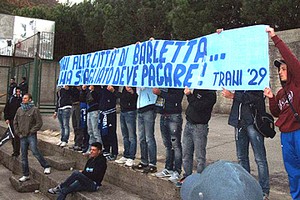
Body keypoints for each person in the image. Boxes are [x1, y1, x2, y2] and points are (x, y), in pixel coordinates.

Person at [264, 26, 300, 200]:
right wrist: (271, 98)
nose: (280, 71)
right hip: (286, 135)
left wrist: (275, 38)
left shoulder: (298, 84)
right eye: (279, 70)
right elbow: (276, 112)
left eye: (284, 69)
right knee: (292, 172)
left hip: (299, 132)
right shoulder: (280, 93)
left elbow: (291, 60)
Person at [222, 89, 270, 199]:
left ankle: (264, 190)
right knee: (241, 157)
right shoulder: (239, 79)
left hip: (254, 122)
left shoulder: (257, 77)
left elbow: (257, 97)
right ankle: (246, 187)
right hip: (239, 122)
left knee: (260, 158)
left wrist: (234, 96)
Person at [177, 87, 216, 187]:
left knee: (199, 155)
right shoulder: (198, 89)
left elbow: (198, 106)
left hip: (200, 127)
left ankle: (200, 179)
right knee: (186, 153)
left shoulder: (211, 95)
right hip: (189, 123)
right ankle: (187, 175)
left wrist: (189, 95)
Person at [13, 93, 51, 182]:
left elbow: (39, 123)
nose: (23, 100)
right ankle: (26, 174)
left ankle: (46, 165)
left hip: (31, 135)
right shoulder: (19, 110)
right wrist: (18, 132)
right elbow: (15, 122)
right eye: (23, 98)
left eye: (25, 98)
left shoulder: (34, 110)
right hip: (22, 135)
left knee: (35, 151)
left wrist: (32, 131)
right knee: (23, 156)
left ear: (30, 99)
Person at [153, 88, 184, 183]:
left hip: (174, 115)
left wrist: (161, 93)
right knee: (167, 145)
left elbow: (177, 98)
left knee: (176, 145)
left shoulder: (177, 83)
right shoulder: (164, 82)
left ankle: (177, 170)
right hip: (164, 115)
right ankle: (168, 168)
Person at [111, 86, 138, 167]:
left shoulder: (133, 84)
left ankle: (131, 156)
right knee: (125, 135)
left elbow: (132, 97)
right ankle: (126, 154)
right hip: (123, 110)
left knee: (131, 136)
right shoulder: (124, 85)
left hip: (130, 111)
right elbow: (122, 96)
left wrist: (131, 92)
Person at [135, 87, 158, 173]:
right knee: (142, 137)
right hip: (140, 107)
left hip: (149, 106)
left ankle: (152, 163)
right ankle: (144, 160)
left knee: (149, 137)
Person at [99, 85, 118, 161]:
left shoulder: (113, 84)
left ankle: (114, 152)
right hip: (102, 110)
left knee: (111, 132)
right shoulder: (101, 86)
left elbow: (116, 96)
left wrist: (112, 90)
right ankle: (106, 149)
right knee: (103, 132)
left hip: (110, 111)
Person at [3, 87, 22, 157]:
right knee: (13, 135)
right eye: (17, 92)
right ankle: (15, 150)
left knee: (17, 136)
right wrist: (6, 118)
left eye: (19, 92)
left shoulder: (22, 99)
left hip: (19, 121)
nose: (18, 93)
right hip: (11, 119)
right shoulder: (11, 99)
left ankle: (17, 151)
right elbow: (6, 109)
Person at [83, 85, 101, 155]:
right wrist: (85, 90)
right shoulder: (89, 90)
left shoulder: (97, 90)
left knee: (96, 131)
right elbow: (85, 99)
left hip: (95, 111)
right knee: (90, 131)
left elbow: (95, 99)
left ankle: (98, 149)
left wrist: (92, 90)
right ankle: (91, 148)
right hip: (89, 111)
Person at [70, 86, 83, 151]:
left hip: (79, 104)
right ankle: (76, 142)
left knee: (79, 124)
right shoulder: (72, 87)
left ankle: (79, 143)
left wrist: (80, 89)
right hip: (73, 104)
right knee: (74, 124)